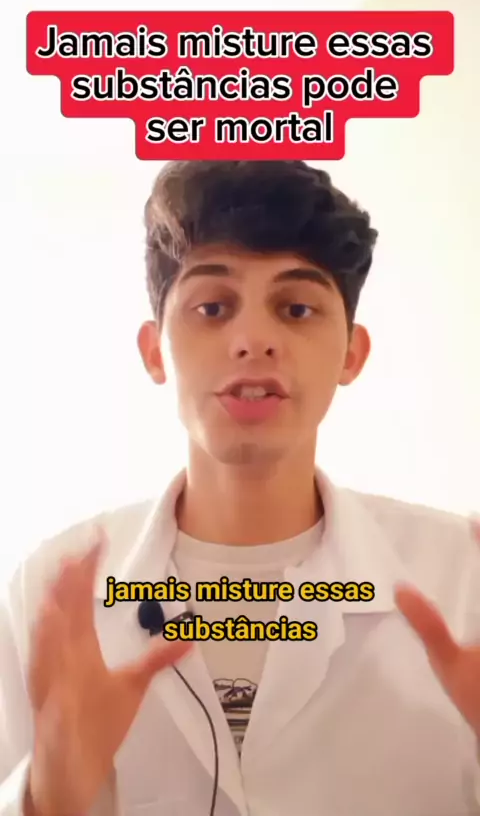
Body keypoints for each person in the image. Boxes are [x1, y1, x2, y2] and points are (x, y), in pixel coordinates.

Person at [0, 159, 479, 816]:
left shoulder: (464, 579)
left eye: (297, 308)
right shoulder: (53, 596)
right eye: (213, 307)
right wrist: (47, 799)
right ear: (155, 351)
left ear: (352, 353)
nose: (253, 341)